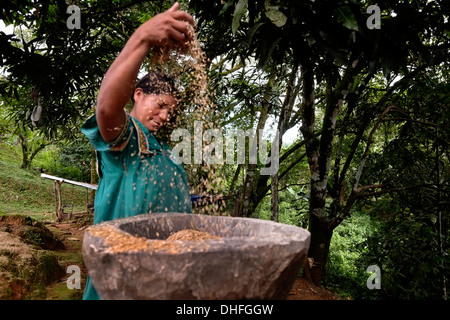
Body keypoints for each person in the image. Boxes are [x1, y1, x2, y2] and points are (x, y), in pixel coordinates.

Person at [80, 2, 195, 300]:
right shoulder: (129, 138)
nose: (165, 116)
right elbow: (106, 108)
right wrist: (142, 39)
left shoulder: (164, 152)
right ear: (139, 95)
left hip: (164, 281)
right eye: (160, 105)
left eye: (171, 112)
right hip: (121, 281)